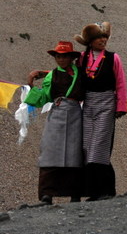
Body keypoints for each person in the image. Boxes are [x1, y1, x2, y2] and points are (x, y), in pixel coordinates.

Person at [23, 41, 85, 204]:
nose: (61, 59)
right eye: (58, 56)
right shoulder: (52, 75)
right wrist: (31, 86)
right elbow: (45, 96)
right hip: (57, 112)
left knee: (74, 153)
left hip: (75, 114)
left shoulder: (81, 73)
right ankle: (46, 194)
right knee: (50, 151)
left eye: (64, 56)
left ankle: (75, 193)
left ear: (71, 58)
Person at [74, 21, 127, 201]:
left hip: (106, 103)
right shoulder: (82, 58)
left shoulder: (114, 58)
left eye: (104, 37)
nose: (103, 40)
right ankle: (93, 191)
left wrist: (121, 106)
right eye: (98, 37)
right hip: (88, 103)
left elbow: (120, 83)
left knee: (99, 147)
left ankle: (104, 191)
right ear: (90, 41)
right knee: (86, 146)